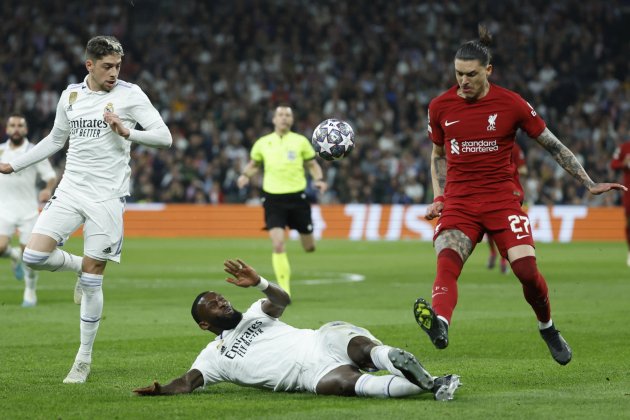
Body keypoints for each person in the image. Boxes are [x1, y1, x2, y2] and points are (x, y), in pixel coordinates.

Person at [415, 25, 626, 366]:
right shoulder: (440, 107)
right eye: (457, 74)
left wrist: (588, 182)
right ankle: (440, 322)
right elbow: (438, 155)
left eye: (470, 74)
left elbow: (553, 146)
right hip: (460, 203)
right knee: (446, 262)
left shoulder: (511, 104)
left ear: (488, 70)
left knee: (526, 271)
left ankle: (548, 327)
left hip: (501, 201)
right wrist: (439, 196)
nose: (463, 82)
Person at [0, 36, 172, 383]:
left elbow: (164, 136)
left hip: (107, 197)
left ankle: (83, 359)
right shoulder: (71, 95)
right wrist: (15, 165)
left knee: (94, 282)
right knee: (33, 257)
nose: (114, 73)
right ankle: (79, 266)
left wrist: (127, 133)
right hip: (71, 189)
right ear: (89, 65)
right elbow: (54, 140)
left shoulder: (130, 94)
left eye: (118, 66)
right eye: (107, 66)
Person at [133, 258, 461, 400]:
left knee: (362, 351)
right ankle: (432, 383)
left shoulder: (255, 313)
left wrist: (260, 282)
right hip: (308, 377)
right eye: (215, 306)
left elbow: (282, 299)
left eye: (221, 298)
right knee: (351, 385)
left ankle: (392, 359)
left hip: (320, 342)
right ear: (205, 324)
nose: (223, 303)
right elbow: (187, 383)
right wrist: (162, 390)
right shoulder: (212, 357)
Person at [237, 106, 327, 296]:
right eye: (280, 115)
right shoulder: (263, 143)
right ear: (274, 119)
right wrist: (245, 175)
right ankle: (284, 291)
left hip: (297, 198)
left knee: (309, 247)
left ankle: (306, 240)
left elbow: (312, 164)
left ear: (292, 120)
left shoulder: (300, 141)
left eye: (288, 115)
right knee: (278, 244)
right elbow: (254, 164)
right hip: (273, 198)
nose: (284, 118)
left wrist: (318, 180)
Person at [0, 114, 57, 306]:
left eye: (20, 126)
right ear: (7, 129)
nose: (16, 128)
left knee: (30, 257)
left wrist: (47, 188)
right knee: (0, 248)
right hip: (4, 209)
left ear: (25, 129)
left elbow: (50, 175)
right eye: (12, 125)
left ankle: (30, 290)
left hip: (28, 211)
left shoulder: (34, 152)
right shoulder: (0, 151)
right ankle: (13, 255)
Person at [487, 142, 528, 274]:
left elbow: (523, 169)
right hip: (493, 190)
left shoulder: (514, 148)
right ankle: (494, 254)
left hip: (510, 191)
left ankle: (504, 260)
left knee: (503, 226)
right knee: (489, 227)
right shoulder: (490, 145)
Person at [610, 138, 630, 266]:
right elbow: (613, 164)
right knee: (629, 222)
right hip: (629, 192)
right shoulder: (624, 147)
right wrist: (624, 164)